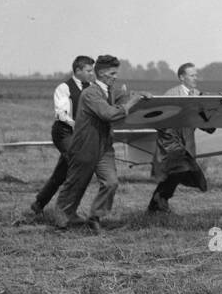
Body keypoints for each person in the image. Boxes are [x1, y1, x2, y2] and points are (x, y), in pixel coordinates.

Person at [53, 55, 150, 232]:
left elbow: (123, 98)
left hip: (104, 147)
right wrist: (132, 102)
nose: (115, 76)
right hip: (84, 146)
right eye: (113, 73)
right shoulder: (90, 93)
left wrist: (140, 96)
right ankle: (61, 221)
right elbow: (109, 114)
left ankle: (94, 217)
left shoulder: (110, 91)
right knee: (76, 184)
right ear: (103, 73)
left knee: (111, 182)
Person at [22, 56, 94, 223]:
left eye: (92, 71)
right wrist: (74, 123)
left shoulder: (90, 87)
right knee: (78, 164)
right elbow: (61, 113)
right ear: (78, 71)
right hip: (64, 132)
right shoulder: (64, 87)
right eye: (88, 71)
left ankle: (38, 205)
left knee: (61, 173)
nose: (92, 74)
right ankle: (66, 211)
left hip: (79, 134)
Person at [147, 62, 215, 214]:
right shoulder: (171, 95)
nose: (195, 78)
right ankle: (160, 202)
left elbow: (207, 126)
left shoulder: (199, 95)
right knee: (179, 170)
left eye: (196, 75)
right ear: (182, 77)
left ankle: (155, 204)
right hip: (170, 144)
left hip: (188, 144)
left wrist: (213, 111)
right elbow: (159, 121)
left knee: (185, 176)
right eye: (192, 75)